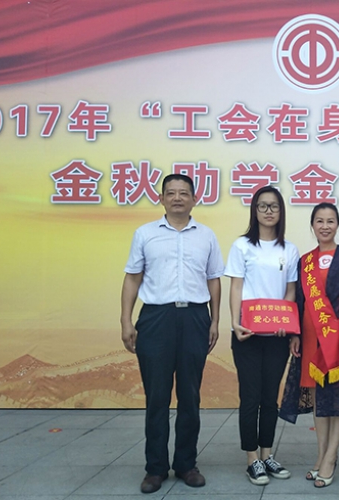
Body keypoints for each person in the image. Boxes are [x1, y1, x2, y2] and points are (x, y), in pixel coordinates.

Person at [120, 173, 224, 494]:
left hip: (195, 317)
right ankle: (155, 468)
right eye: (171, 193)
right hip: (156, 318)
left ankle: (186, 464)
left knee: (190, 396)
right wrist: (126, 320)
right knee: (157, 397)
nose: (177, 198)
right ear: (161, 198)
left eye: (183, 193)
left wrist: (215, 321)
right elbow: (132, 278)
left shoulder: (206, 236)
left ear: (195, 199)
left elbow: (214, 280)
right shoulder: (145, 234)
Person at [279, 203, 339, 488]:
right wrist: (295, 334)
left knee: (337, 399)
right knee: (318, 398)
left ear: (338, 225)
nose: (325, 226)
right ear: (312, 225)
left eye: (330, 221)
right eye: (319, 221)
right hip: (310, 339)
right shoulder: (305, 261)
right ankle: (321, 454)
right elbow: (299, 301)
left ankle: (331, 456)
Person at [225, 186, 300, 485]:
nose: (269, 211)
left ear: (281, 212)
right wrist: (235, 322)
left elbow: (291, 291)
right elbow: (236, 287)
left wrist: (288, 322)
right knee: (250, 397)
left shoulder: (289, 250)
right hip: (247, 334)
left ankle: (267, 454)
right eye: (263, 206)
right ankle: (251, 459)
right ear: (254, 211)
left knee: (270, 398)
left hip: (277, 336)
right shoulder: (242, 246)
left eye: (274, 206)